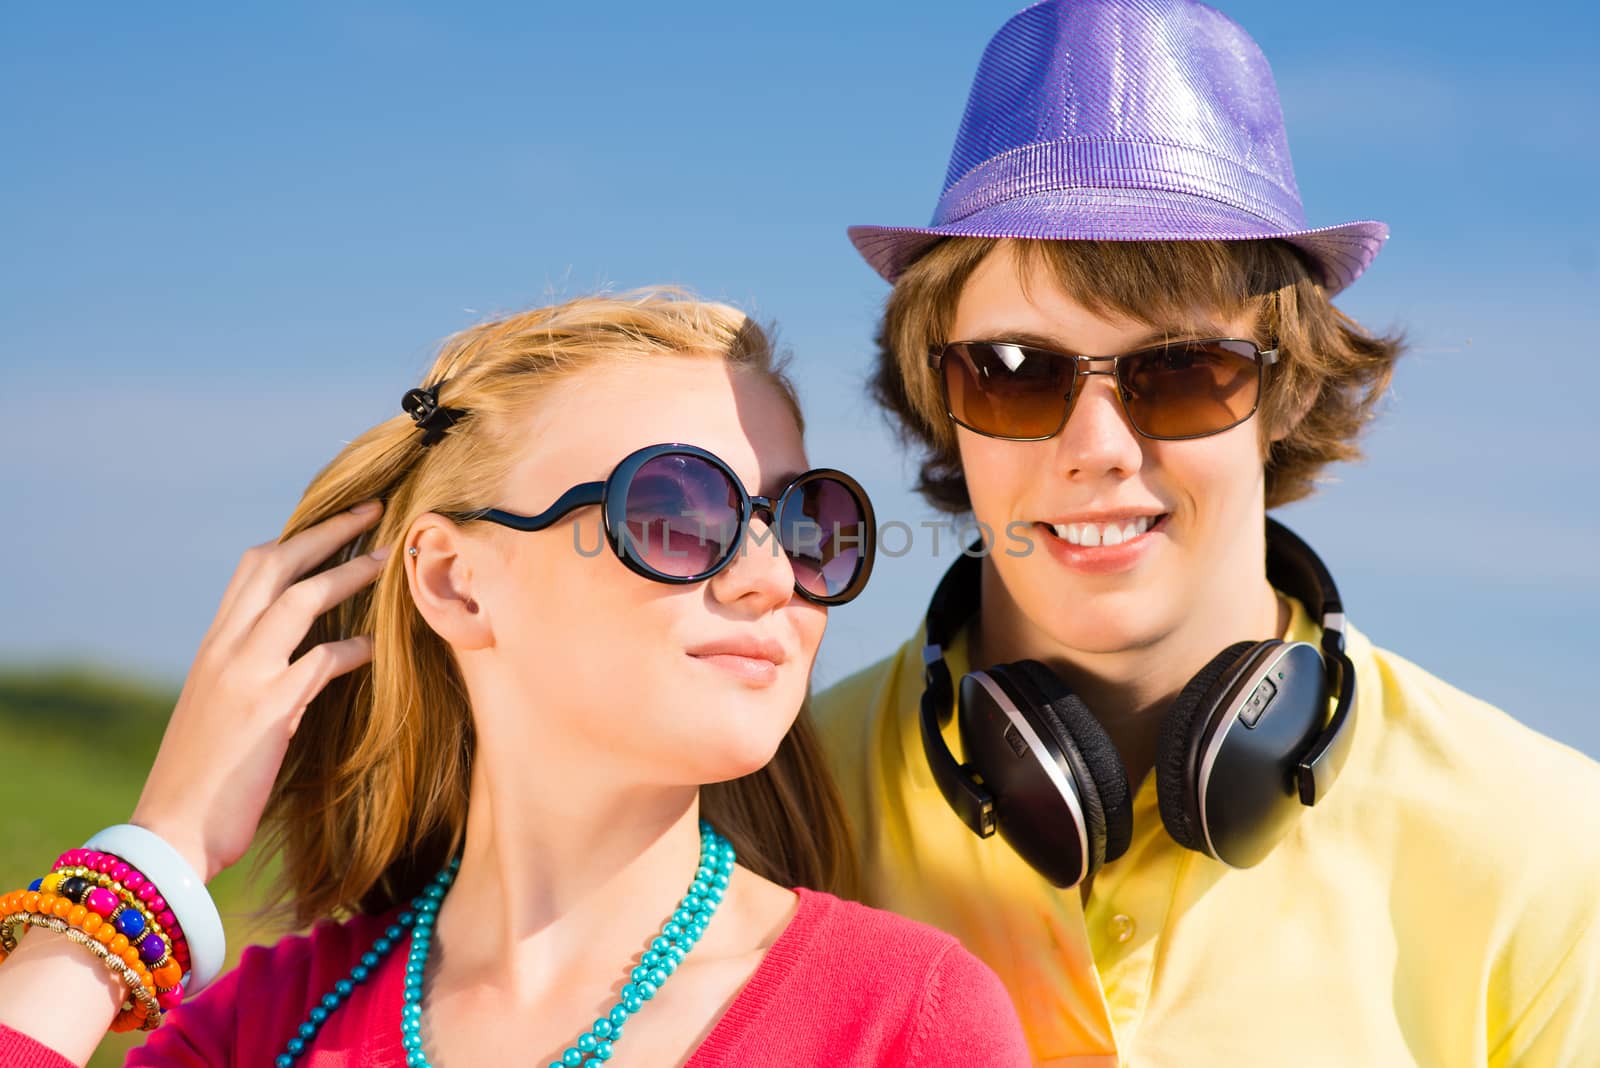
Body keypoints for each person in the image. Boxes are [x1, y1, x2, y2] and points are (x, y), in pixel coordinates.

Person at [813, 1, 1600, 1064]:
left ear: (1285, 398)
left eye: (1181, 370)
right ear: (936, 395)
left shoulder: (1549, 844)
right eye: (1012, 372)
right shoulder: (772, 815)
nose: (1097, 446)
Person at [0, 291, 1033, 1066]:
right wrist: (160, 852)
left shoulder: (904, 1018)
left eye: (805, 523)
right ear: (454, 582)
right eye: (679, 512)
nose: (771, 577)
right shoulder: (266, 1028)